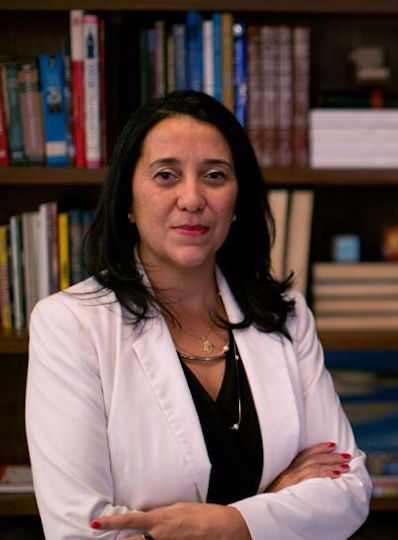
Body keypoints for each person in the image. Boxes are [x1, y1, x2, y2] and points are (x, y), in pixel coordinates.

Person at [25, 90, 371, 540]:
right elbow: (81, 531)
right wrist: (273, 508)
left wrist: (233, 522)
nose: (192, 198)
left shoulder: (285, 316)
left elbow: (348, 489)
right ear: (127, 199)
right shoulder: (71, 325)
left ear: (238, 199)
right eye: (166, 175)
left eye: (215, 175)